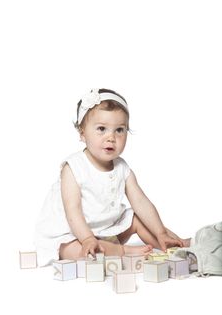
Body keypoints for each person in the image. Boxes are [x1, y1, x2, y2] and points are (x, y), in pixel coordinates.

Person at [34, 88, 190, 266]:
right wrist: (86, 239)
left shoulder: (122, 167)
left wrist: (160, 231)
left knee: (136, 219)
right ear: (82, 133)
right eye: (101, 129)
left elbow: (141, 203)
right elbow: (73, 212)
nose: (111, 137)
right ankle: (123, 251)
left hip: (106, 230)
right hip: (73, 234)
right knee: (79, 252)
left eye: (119, 130)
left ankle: (174, 243)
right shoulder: (73, 167)